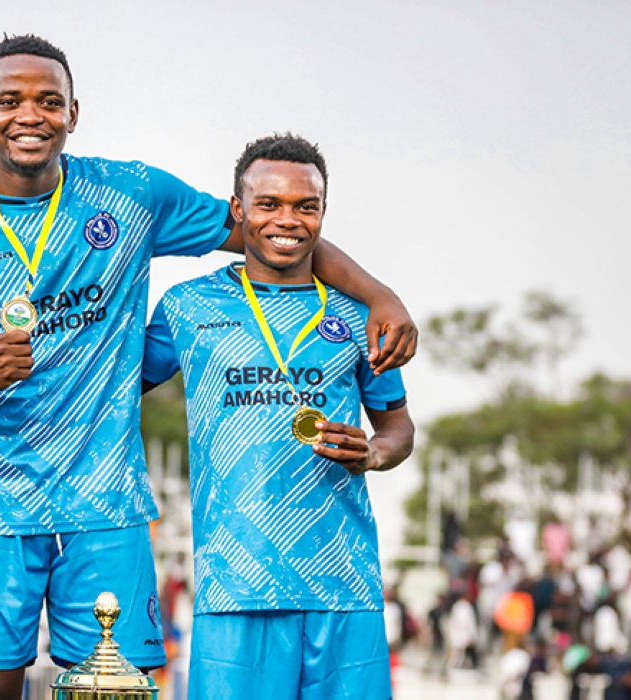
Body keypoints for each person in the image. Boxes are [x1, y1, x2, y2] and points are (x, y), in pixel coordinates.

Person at [0, 35, 417, 699]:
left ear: (74, 112)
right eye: (10, 100)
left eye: (49, 101)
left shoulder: (131, 194)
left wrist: (380, 296)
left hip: (106, 498)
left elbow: (269, 233)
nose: (30, 115)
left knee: (113, 689)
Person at [139, 134, 415, 698]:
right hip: (235, 584)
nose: (287, 220)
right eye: (268, 204)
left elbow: (398, 428)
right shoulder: (187, 306)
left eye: (305, 206)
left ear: (323, 212)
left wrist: (373, 452)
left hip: (344, 585)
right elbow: (108, 383)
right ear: (238, 210)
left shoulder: (358, 315)